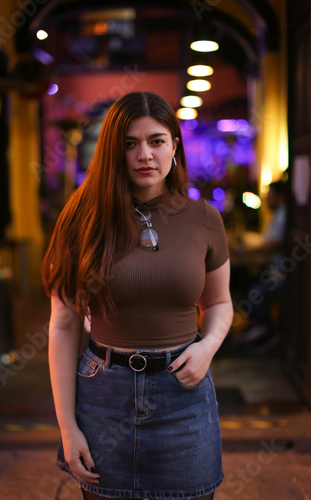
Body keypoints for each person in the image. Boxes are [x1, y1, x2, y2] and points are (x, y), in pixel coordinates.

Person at [42, 91, 233, 500]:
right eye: (130, 143)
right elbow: (63, 325)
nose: (144, 154)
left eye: (156, 141)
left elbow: (218, 303)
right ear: (114, 151)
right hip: (103, 398)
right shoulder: (82, 218)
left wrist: (208, 346)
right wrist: (67, 427)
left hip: (184, 397)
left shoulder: (204, 219)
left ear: (174, 147)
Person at [233, 180, 287, 353]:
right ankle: (256, 327)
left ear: (279, 196)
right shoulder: (278, 215)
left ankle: (267, 330)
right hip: (274, 270)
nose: (266, 199)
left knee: (255, 291)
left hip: (282, 274)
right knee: (248, 283)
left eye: (269, 195)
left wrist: (242, 249)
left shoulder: (283, 215)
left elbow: (271, 245)